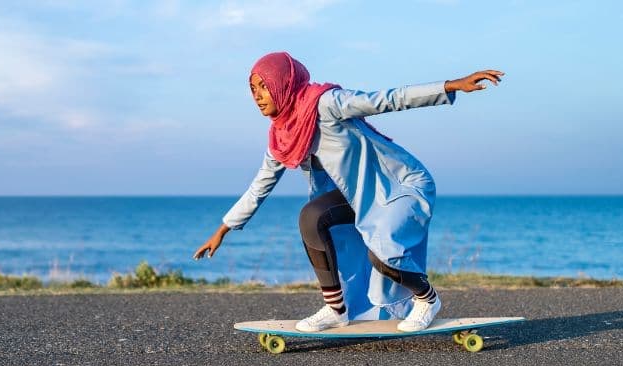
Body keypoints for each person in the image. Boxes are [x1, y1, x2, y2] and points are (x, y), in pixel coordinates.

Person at [193, 51, 502, 333]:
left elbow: (388, 99)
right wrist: (223, 229)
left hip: (396, 185)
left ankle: (427, 299)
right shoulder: (282, 134)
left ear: (282, 83)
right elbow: (260, 184)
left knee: (382, 248)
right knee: (311, 217)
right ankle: (336, 308)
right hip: (358, 195)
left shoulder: (326, 103)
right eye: (253, 89)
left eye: (264, 86)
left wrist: (451, 85)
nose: (258, 96)